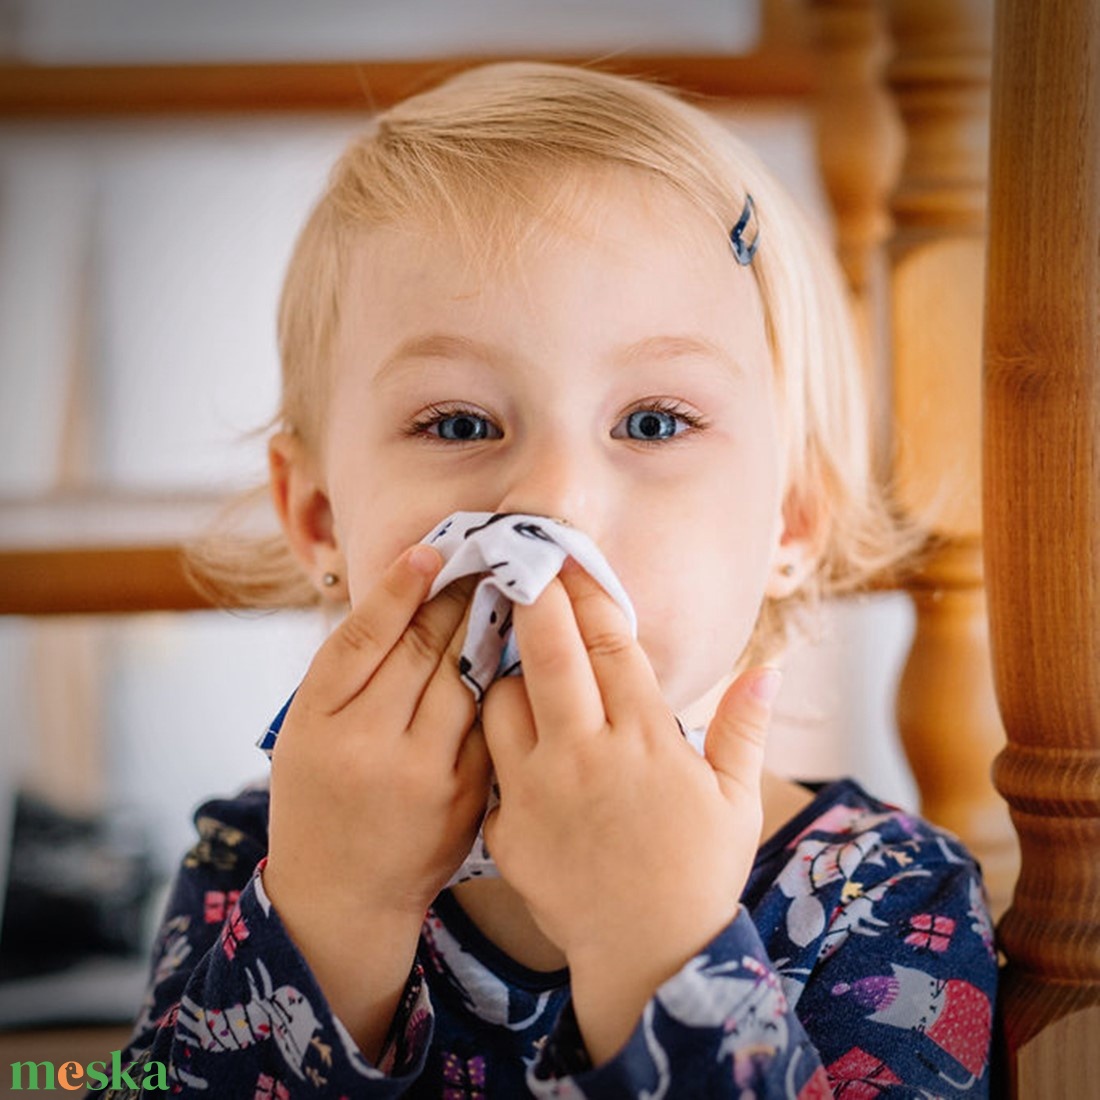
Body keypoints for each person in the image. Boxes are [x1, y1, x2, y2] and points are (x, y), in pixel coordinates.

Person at [97, 62, 997, 1097]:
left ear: (790, 516)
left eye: (653, 422)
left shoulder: (881, 897)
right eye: (459, 423)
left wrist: (657, 945)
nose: (554, 505)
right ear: (317, 516)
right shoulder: (261, 855)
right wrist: (333, 921)